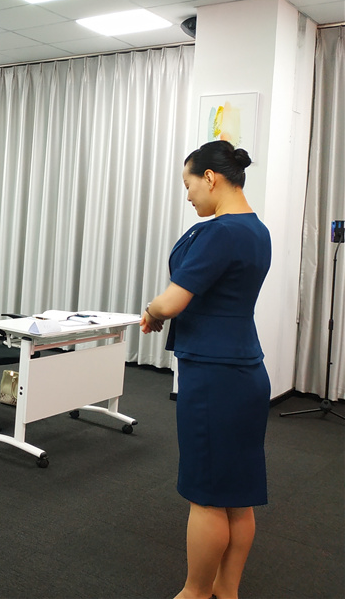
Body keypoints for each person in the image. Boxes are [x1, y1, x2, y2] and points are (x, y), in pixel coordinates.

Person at [141, 140, 271, 599]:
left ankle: (195, 592)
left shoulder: (221, 233)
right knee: (238, 495)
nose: (188, 194)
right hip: (245, 371)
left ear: (210, 178)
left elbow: (172, 301)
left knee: (208, 495)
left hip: (214, 376)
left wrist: (152, 310)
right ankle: (225, 589)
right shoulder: (256, 230)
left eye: (189, 184)